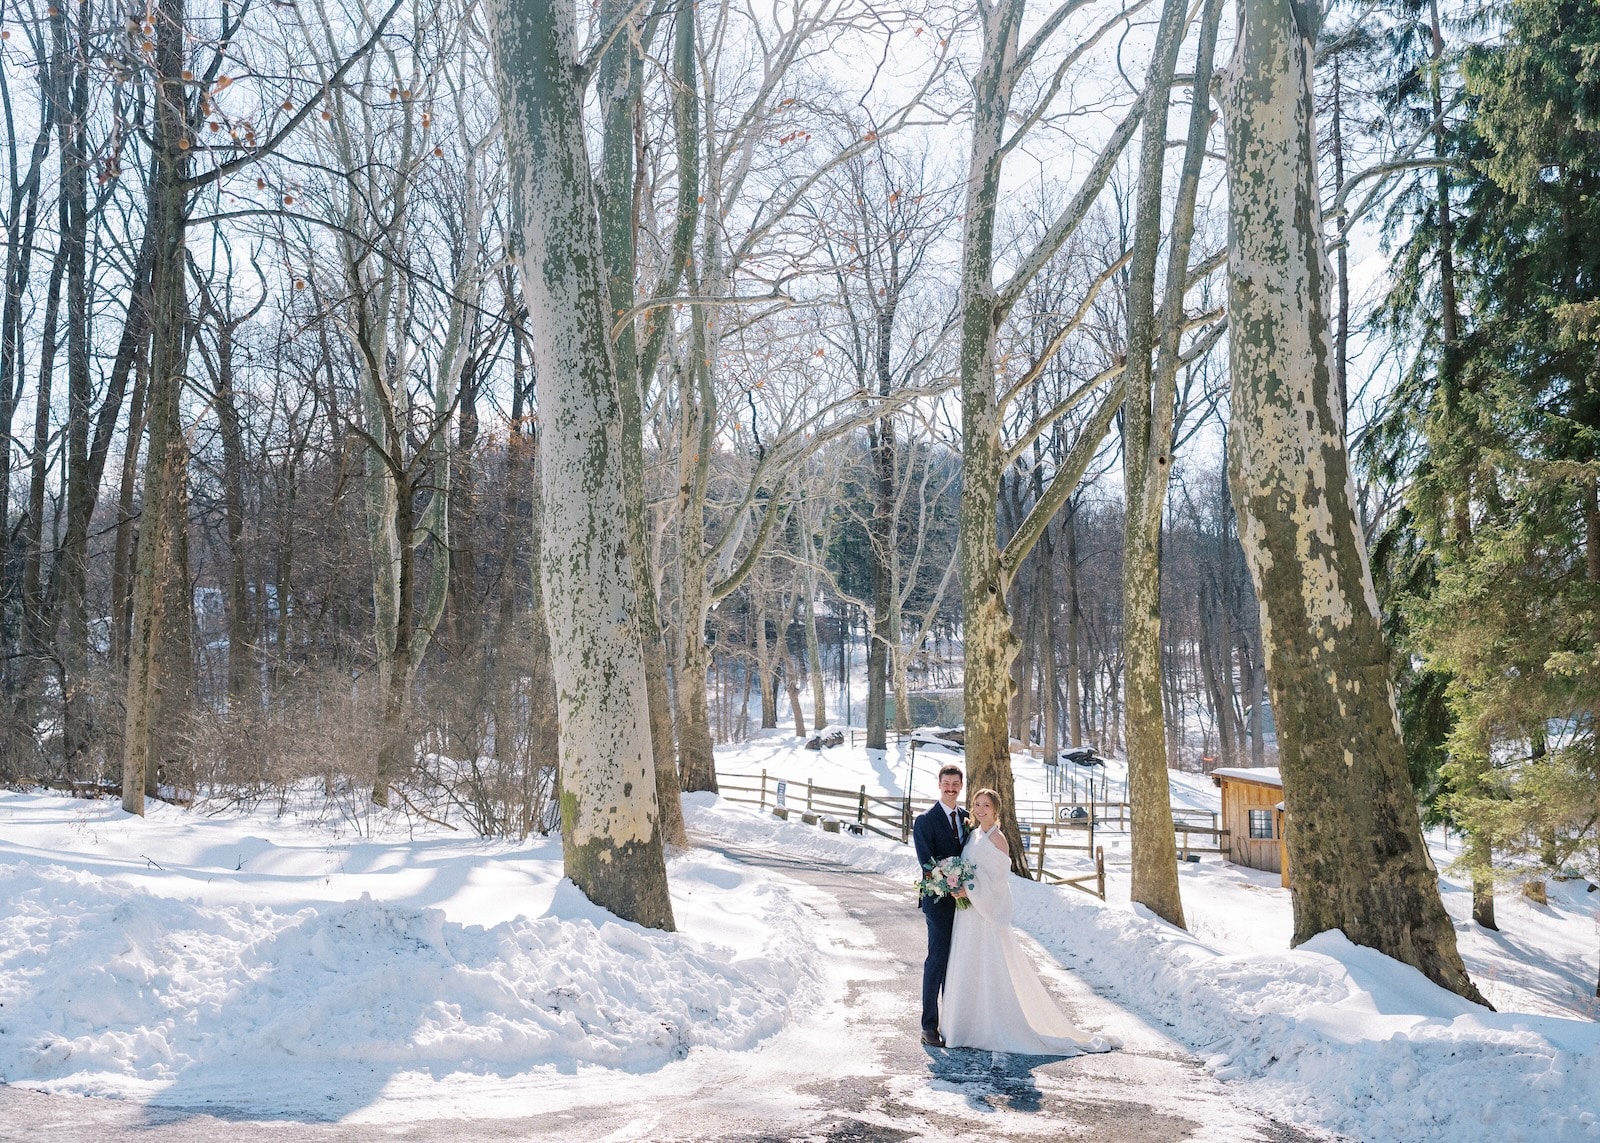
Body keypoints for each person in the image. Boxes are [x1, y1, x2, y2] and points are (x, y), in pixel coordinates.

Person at [940, 787, 1118, 1056]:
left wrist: (971, 889)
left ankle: (990, 1026)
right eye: (976, 804)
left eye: (986, 805)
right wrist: (958, 884)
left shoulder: (998, 839)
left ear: (996, 809)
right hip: (967, 915)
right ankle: (963, 1025)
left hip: (985, 914)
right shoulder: (973, 836)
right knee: (966, 963)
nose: (979, 809)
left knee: (988, 966)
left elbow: (998, 883)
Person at [912, 762, 969, 1047]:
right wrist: (952, 885)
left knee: (959, 963)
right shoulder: (925, 821)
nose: (951, 788)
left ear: (961, 786)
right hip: (938, 902)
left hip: (967, 905)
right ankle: (929, 1026)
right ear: (939, 785)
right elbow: (927, 864)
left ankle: (954, 1023)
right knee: (937, 961)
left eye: (955, 784)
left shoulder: (968, 818)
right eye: (946, 784)